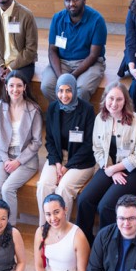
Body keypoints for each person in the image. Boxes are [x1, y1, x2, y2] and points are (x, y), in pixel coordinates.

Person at [76, 82, 136, 244]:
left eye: (119, 99)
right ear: (105, 99)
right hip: (108, 165)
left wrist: (115, 169)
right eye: (111, 98)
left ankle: (105, 245)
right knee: (84, 200)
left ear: (125, 102)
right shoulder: (100, 119)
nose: (114, 104)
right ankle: (83, 242)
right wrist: (110, 169)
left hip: (135, 171)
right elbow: (97, 148)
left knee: (106, 206)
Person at [36, 74, 95, 226]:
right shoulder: (52, 108)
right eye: (60, 91)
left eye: (68, 90)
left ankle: (63, 230)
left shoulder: (87, 110)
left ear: (75, 90)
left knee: (63, 188)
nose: (64, 95)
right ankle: (45, 228)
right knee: (44, 185)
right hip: (58, 158)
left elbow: (88, 146)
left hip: (80, 161)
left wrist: (67, 167)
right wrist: (57, 163)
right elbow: (49, 141)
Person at [41, 0, 107, 103]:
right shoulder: (57, 18)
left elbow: (93, 55)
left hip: (89, 63)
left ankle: (76, 118)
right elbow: (52, 50)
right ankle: (65, 114)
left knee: (82, 89)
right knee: (47, 86)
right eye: (68, 0)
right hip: (63, 62)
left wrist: (72, 76)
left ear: (84, 0)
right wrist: (61, 76)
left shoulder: (97, 20)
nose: (72, 4)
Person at [0, 71, 42, 226]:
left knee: (7, 189)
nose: (15, 89)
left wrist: (18, 162)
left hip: (26, 159)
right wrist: (6, 159)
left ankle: (10, 227)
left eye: (19, 85)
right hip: (5, 156)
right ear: (6, 87)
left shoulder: (33, 109)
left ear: (25, 87)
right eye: (11, 85)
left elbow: (36, 142)